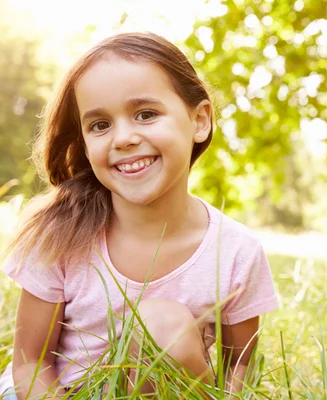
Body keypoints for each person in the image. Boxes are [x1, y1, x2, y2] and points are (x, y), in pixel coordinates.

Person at [0, 32, 279, 399]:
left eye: (146, 114)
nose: (123, 138)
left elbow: (239, 368)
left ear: (199, 120)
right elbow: (31, 364)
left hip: (166, 392)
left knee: (161, 325)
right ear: (84, 143)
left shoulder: (236, 253)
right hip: (55, 393)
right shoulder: (59, 236)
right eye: (100, 125)